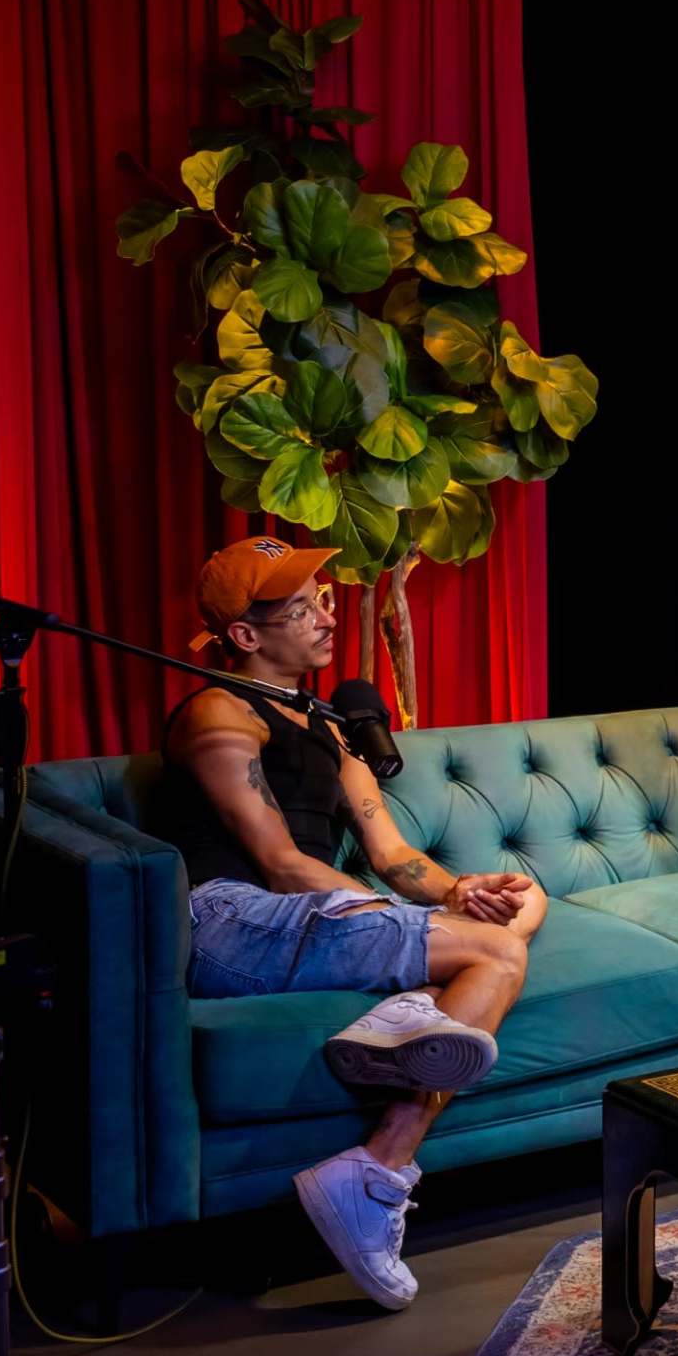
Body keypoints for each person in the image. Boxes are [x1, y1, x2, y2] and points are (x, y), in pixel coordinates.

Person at [158, 535, 546, 1309]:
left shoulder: (330, 727)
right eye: (302, 606)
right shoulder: (217, 712)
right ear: (245, 634)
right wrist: (409, 917)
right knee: (496, 958)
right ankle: (375, 1173)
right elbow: (279, 862)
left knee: (523, 905)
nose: (327, 617)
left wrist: (464, 891)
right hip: (232, 921)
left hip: (311, 912)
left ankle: (411, 1023)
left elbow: (393, 850)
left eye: (323, 599)